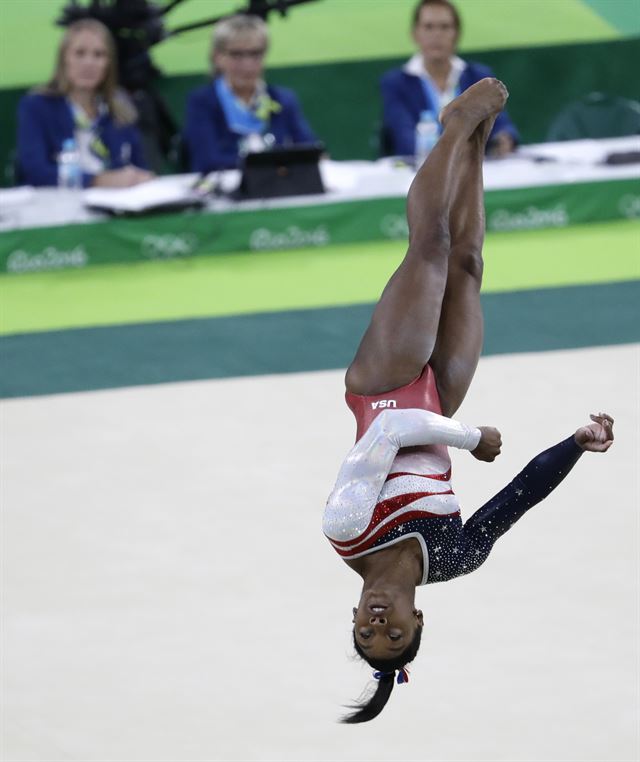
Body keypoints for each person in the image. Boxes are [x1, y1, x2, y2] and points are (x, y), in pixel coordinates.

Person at [322, 78, 614, 724]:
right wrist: (575, 445)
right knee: (469, 264)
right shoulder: (454, 556)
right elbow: (520, 497)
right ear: (417, 617)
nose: (380, 625)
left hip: (383, 389)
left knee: (430, 248)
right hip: (439, 400)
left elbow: (387, 438)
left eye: (366, 634)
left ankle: (456, 124)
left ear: (352, 617)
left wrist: (470, 438)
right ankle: (477, 144)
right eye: (395, 635)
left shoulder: (345, 531)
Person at [16, 19, 152, 189]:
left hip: (115, 205)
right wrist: (98, 181)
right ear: (64, 59)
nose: (89, 63)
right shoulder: (37, 106)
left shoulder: (120, 108)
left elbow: (140, 166)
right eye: (80, 53)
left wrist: (141, 177)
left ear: (109, 64)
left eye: (99, 55)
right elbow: (35, 172)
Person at [380, 0, 519, 158]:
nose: (437, 35)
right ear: (415, 34)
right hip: (421, 175)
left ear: (457, 33)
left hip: (475, 173)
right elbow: (405, 139)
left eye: (445, 27)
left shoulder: (478, 77)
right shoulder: (397, 83)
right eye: (428, 27)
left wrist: (504, 139)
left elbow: (503, 126)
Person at [183, 14, 317, 173]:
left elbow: (310, 150)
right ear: (217, 57)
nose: (247, 64)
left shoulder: (282, 99)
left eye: (255, 54)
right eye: (236, 55)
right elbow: (207, 161)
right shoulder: (202, 102)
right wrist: (274, 163)